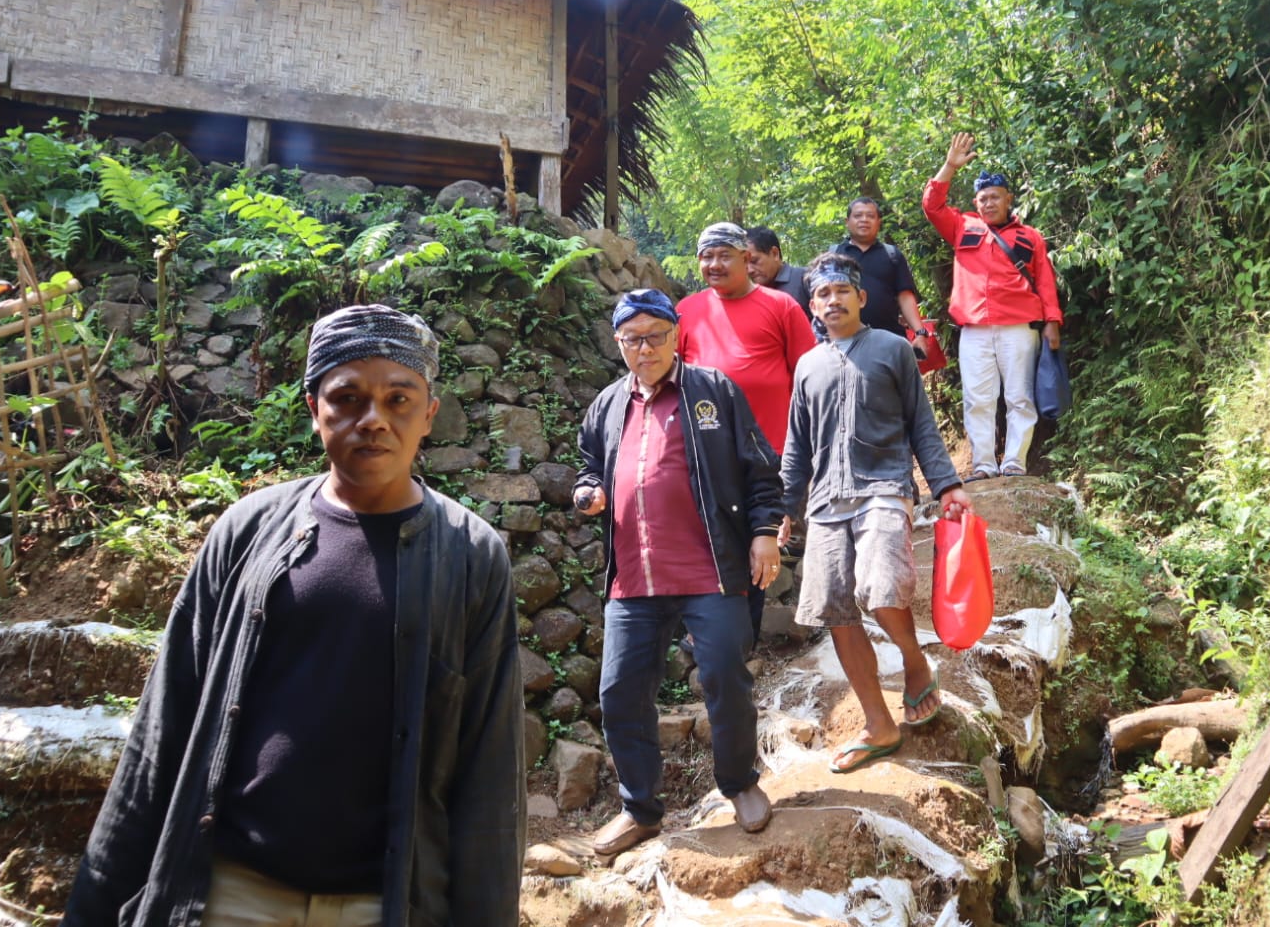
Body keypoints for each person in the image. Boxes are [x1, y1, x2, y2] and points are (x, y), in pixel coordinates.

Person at [63, 305, 525, 927]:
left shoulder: (470, 556)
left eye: (398, 400)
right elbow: (165, 723)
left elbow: (489, 771)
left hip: (382, 903)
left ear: (428, 416)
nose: (374, 421)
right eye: (348, 397)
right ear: (314, 408)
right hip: (231, 893)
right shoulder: (247, 532)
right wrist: (95, 902)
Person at [575, 288, 782, 856]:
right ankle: (640, 808)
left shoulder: (713, 391)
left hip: (708, 569)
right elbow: (589, 466)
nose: (644, 348)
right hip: (634, 578)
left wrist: (765, 532)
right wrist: (587, 492)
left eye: (655, 336)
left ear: (675, 336)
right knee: (619, 691)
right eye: (632, 339)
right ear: (619, 343)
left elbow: (761, 469)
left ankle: (739, 783)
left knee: (723, 673)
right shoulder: (607, 405)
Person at [780, 253, 972, 774]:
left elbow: (922, 424)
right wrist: (784, 509)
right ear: (812, 306)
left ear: (862, 298)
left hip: (884, 487)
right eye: (822, 295)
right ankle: (878, 725)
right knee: (835, 608)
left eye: (843, 291)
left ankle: (914, 664)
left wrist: (947, 485)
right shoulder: (807, 366)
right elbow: (797, 448)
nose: (833, 300)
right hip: (824, 501)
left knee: (879, 585)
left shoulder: (891, 349)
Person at [677, 221, 815, 638]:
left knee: (758, 556)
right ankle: (704, 644)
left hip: (768, 461)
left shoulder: (782, 307)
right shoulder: (685, 311)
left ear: (746, 259)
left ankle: (742, 648)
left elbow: (808, 380)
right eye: (706, 256)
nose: (714, 264)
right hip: (705, 459)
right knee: (707, 552)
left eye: (724, 255)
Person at [923, 132, 1063, 479]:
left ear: (1008, 199)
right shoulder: (962, 226)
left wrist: (1052, 322)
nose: (988, 203)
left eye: (995, 197)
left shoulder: (1029, 236)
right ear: (976, 202)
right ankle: (984, 464)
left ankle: (1014, 463)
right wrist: (949, 166)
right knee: (978, 399)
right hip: (974, 329)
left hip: (1018, 327)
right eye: (982, 198)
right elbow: (932, 206)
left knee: (1019, 397)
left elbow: (1045, 282)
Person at [833, 197, 935, 359]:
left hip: (890, 341)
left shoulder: (892, 255)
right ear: (847, 221)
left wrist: (920, 333)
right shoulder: (833, 255)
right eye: (858, 216)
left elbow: (905, 297)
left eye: (870, 216)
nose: (864, 220)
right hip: (845, 343)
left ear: (878, 221)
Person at [745, 226, 812, 310]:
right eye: (744, 264)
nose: (749, 270)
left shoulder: (805, 278)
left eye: (754, 261)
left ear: (774, 253)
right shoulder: (751, 294)